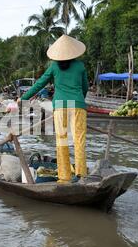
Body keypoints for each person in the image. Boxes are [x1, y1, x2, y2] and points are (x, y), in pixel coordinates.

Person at [19, 35, 89, 184]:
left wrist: (23, 98)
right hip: (77, 105)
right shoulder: (80, 66)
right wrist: (79, 100)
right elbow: (85, 88)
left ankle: (64, 177)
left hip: (60, 107)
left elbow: (40, 84)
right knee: (79, 140)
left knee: (62, 141)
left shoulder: (54, 67)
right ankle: (81, 174)